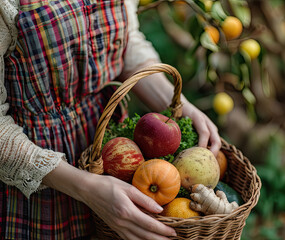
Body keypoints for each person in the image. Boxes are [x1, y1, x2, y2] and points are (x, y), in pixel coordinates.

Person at [0, 0, 221, 239]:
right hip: (41, 185)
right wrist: (87, 187)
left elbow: (126, 43)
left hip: (114, 154)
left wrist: (181, 107)